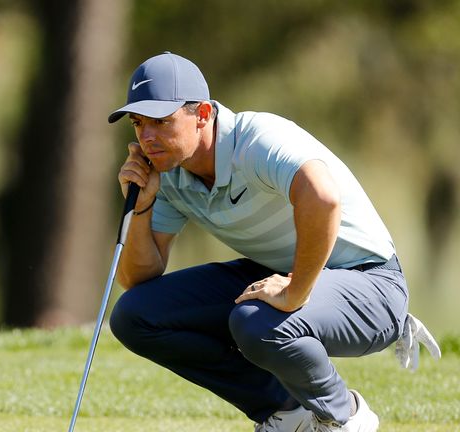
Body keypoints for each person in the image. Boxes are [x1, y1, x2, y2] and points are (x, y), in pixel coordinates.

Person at [107, 52, 440, 432]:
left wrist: (297, 290)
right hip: (280, 275)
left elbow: (323, 198)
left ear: (201, 114)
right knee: (134, 315)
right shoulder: (167, 173)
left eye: (161, 122)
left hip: (372, 285)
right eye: (138, 123)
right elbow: (137, 277)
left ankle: (344, 416)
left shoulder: (257, 139)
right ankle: (287, 413)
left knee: (257, 322)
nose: (147, 138)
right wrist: (142, 208)